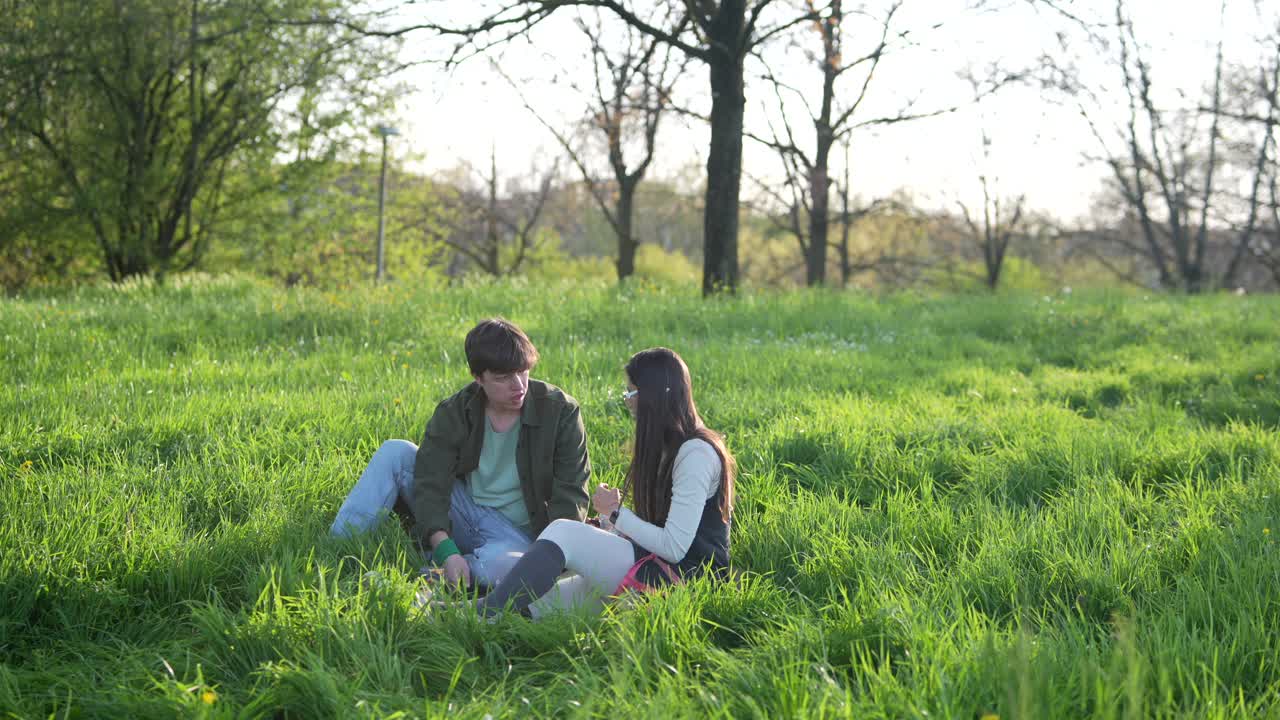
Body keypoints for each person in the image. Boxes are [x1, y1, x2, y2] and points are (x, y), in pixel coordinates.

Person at [461, 346, 736, 619]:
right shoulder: (671, 447)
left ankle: (480, 613)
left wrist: (616, 513)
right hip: (657, 566)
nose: (627, 402)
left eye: (631, 393)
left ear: (652, 396)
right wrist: (610, 527)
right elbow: (662, 529)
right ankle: (462, 615)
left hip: (690, 581)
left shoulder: (695, 454)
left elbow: (675, 548)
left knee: (563, 532)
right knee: (537, 607)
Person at [329, 318, 592, 589]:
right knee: (395, 452)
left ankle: (426, 575)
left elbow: (571, 494)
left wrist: (550, 557)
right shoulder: (455, 411)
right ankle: (336, 552)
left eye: (522, 371)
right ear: (479, 378)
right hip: (465, 511)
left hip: (517, 536)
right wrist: (446, 548)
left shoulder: (560, 411)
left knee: (504, 569)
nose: (518, 385)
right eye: (503, 378)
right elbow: (431, 483)